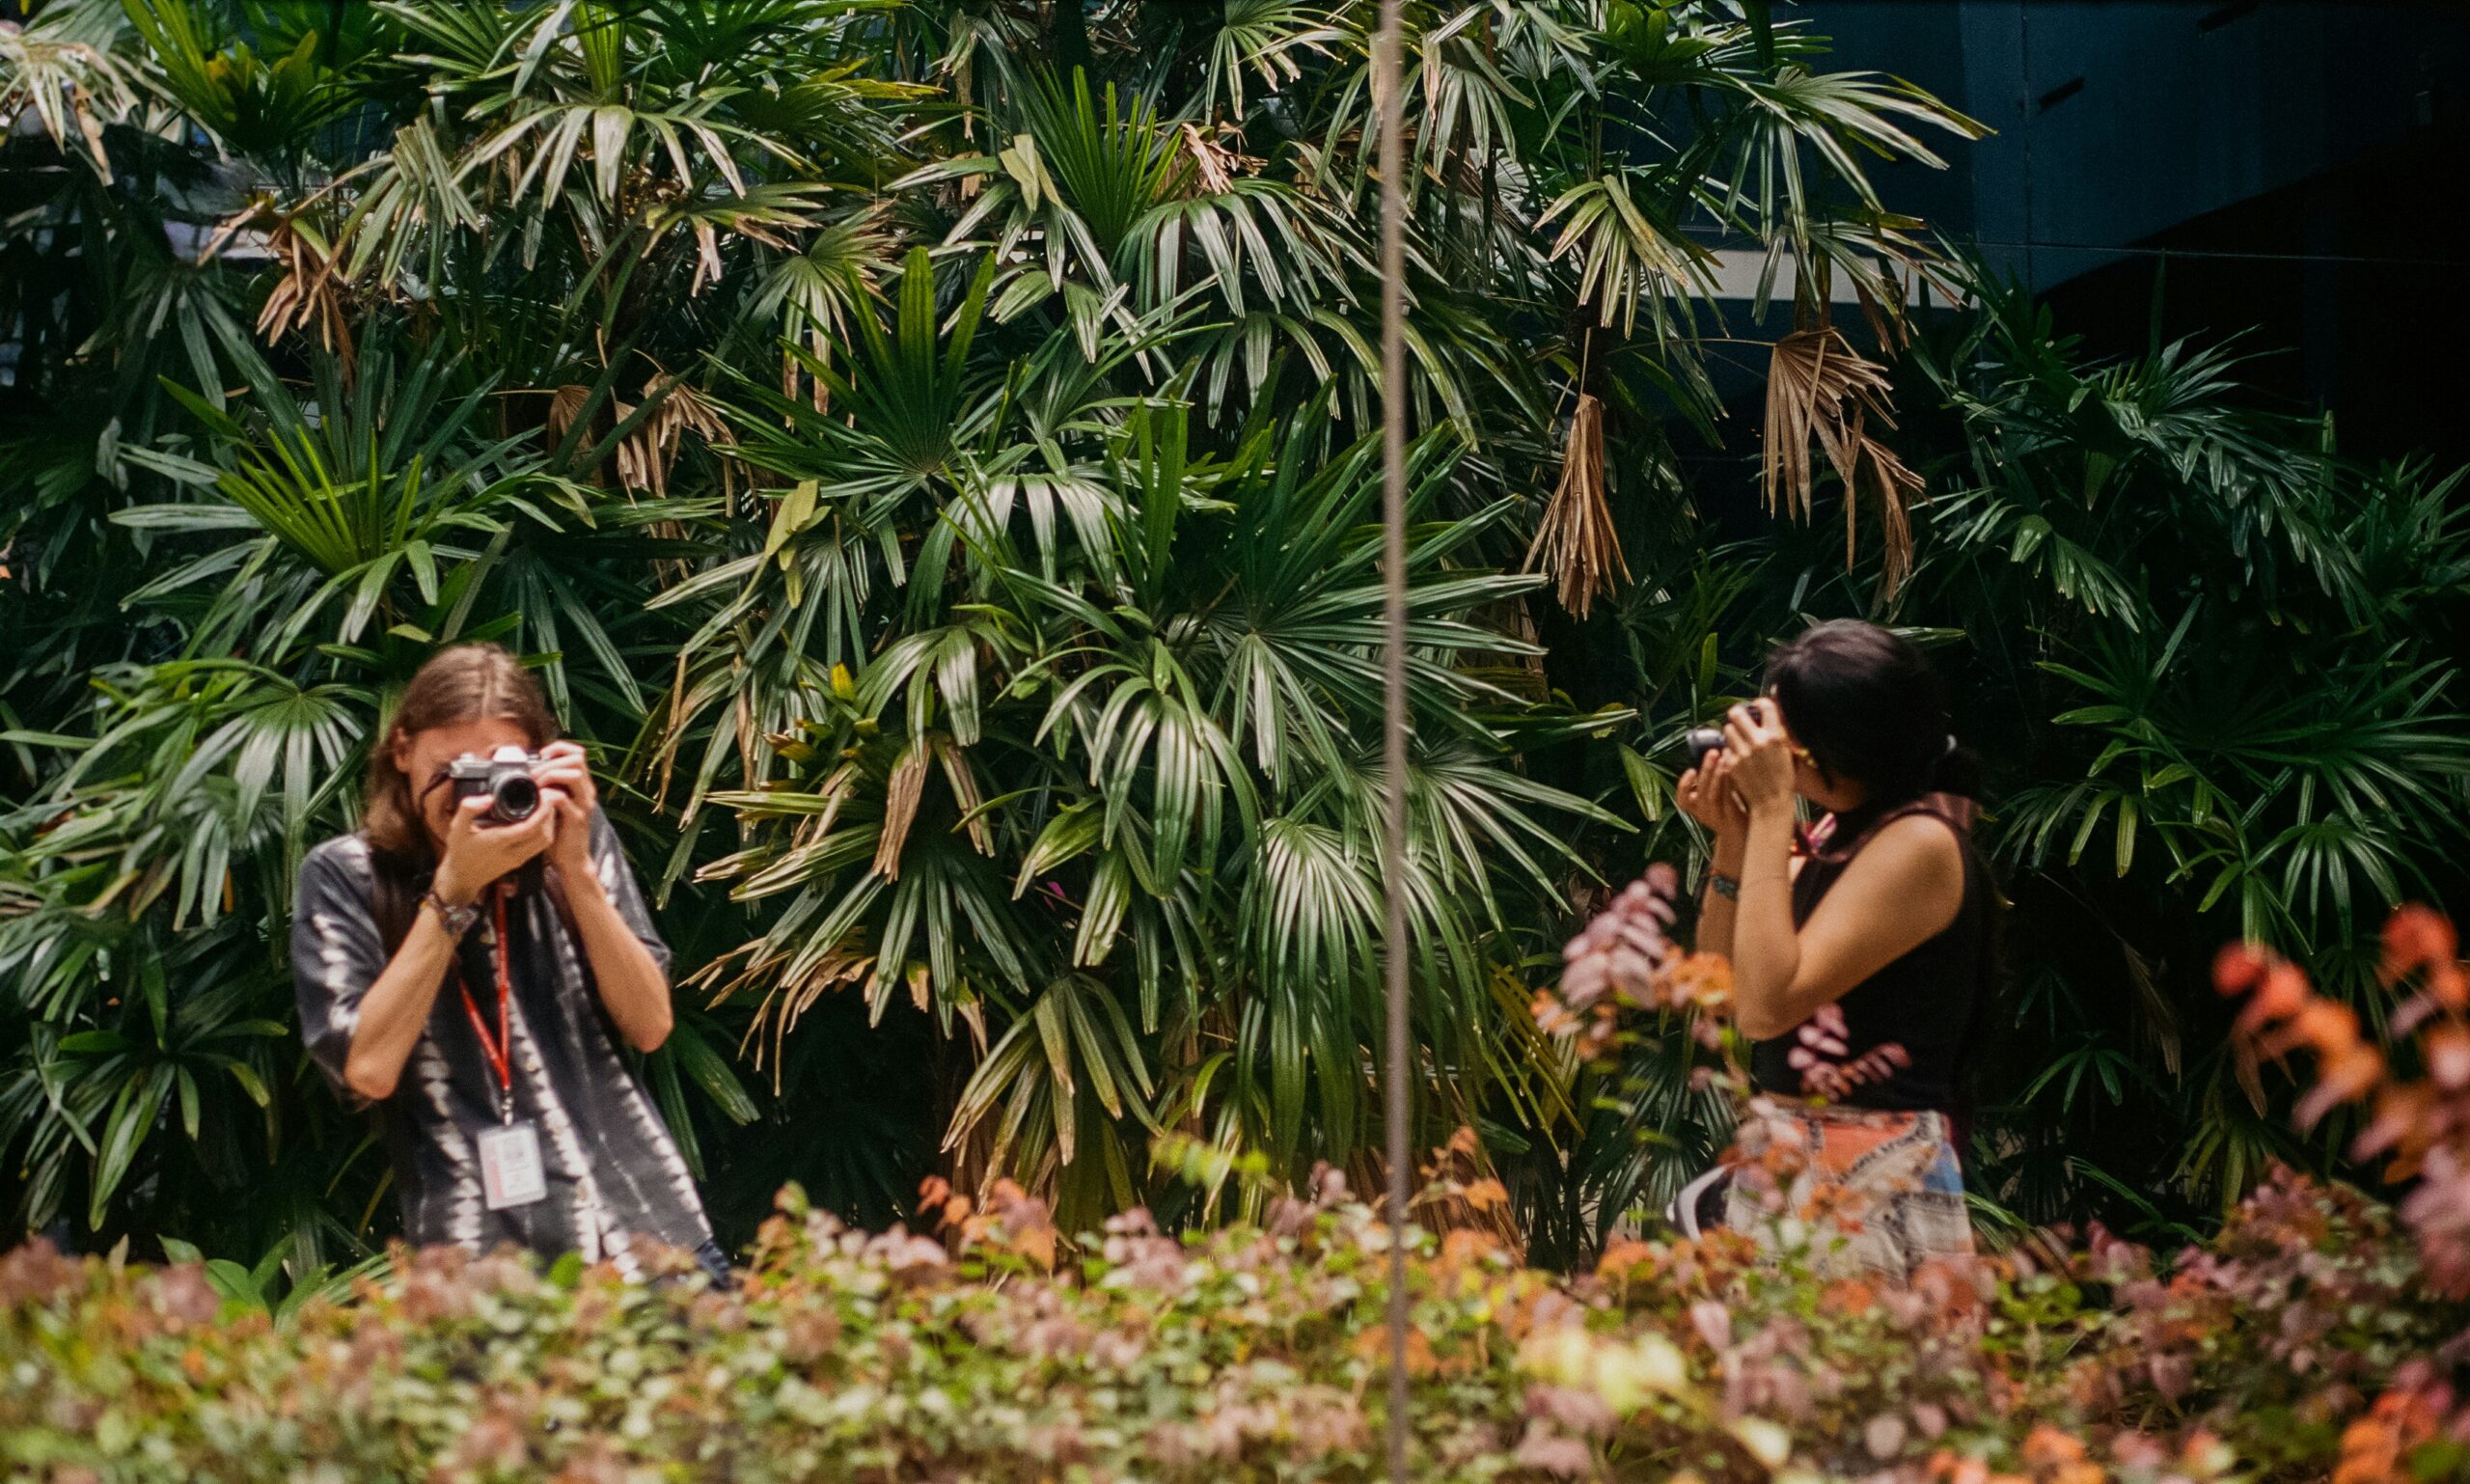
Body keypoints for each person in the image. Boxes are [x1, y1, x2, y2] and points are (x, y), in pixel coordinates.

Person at [291, 644, 726, 1283]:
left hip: (652, 1238)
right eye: (452, 770)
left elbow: (651, 1023)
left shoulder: (571, 836)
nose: (473, 796)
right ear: (402, 750)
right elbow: (370, 1069)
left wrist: (574, 870)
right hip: (488, 1275)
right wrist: (452, 893)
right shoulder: (346, 876)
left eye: (497, 771)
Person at [1672, 619, 1995, 1279]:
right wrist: (1733, 841)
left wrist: (1768, 816)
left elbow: (1768, 1010)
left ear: (1838, 750)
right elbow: (1722, 995)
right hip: (1791, 1162)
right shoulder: (1834, 832)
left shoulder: (1920, 844)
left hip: (1871, 1176)